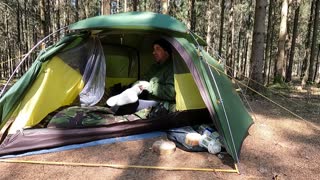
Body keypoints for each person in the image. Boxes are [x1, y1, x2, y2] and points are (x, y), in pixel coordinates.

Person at [106, 38, 175, 116]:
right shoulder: (155, 67)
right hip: (148, 98)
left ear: (166, 52)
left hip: (160, 104)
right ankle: (124, 96)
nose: (153, 52)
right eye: (153, 49)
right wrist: (137, 85)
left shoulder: (172, 68)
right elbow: (145, 79)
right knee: (122, 95)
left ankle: (121, 102)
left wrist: (149, 86)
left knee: (130, 105)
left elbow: (171, 93)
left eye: (157, 49)